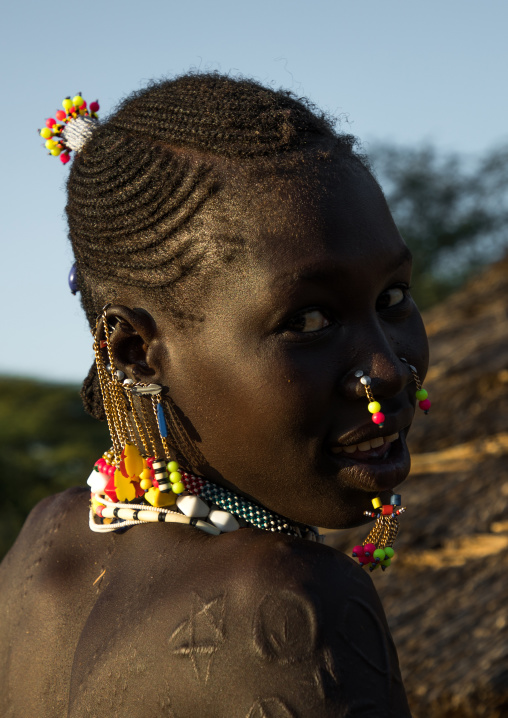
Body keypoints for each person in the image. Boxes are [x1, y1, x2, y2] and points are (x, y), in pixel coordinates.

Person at [0, 73, 428, 717]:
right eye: (308, 321)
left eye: (392, 299)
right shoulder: (292, 603)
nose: (389, 371)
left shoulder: (44, 545)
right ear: (135, 353)